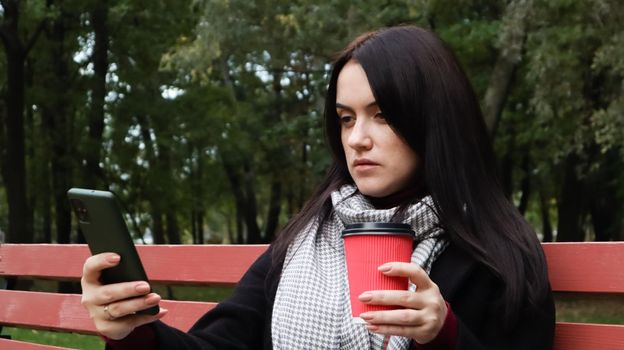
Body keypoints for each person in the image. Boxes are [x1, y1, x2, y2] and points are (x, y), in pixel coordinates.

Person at [81, 25, 555, 349]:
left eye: (382, 115)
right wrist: (132, 332)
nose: (357, 138)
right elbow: (218, 344)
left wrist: (443, 334)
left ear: (433, 121)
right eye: (346, 119)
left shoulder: (497, 257)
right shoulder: (309, 238)